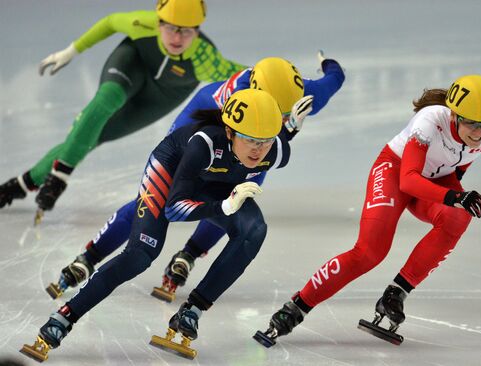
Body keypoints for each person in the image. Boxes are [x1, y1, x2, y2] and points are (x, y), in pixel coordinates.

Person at [21, 88, 305, 361]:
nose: (258, 150)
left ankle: (192, 310)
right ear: (229, 132)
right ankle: (65, 316)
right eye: (250, 140)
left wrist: (289, 128)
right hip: (170, 174)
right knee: (139, 256)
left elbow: (280, 140)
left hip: (212, 183)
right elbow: (173, 209)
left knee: (254, 230)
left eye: (265, 141)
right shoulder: (204, 143)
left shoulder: (275, 151)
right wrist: (225, 206)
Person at [44, 54, 345, 301]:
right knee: (158, 198)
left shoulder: (302, 96)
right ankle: (91, 255)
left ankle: (190, 253)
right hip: (199, 129)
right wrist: (286, 131)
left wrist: (328, 63)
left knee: (239, 194)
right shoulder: (226, 97)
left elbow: (333, 81)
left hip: (247, 148)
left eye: (281, 115)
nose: (277, 119)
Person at [254, 75, 481, 347]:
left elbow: (459, 162)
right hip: (396, 171)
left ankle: (396, 294)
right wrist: (455, 195)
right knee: (370, 252)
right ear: (454, 114)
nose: (479, 132)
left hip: (435, 179)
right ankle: (296, 307)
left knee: (458, 216)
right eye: (471, 122)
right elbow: (408, 179)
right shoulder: (431, 120)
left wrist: (455, 195)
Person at [0, 0, 246, 222]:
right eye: (171, 27)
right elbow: (110, 23)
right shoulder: (142, 24)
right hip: (132, 64)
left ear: (198, 31)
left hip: (160, 97)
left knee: (94, 135)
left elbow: (246, 76)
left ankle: (22, 184)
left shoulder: (205, 60)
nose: (178, 38)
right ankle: (59, 175)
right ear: (158, 23)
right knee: (106, 99)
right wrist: (71, 51)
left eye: (187, 31)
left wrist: (278, 80)